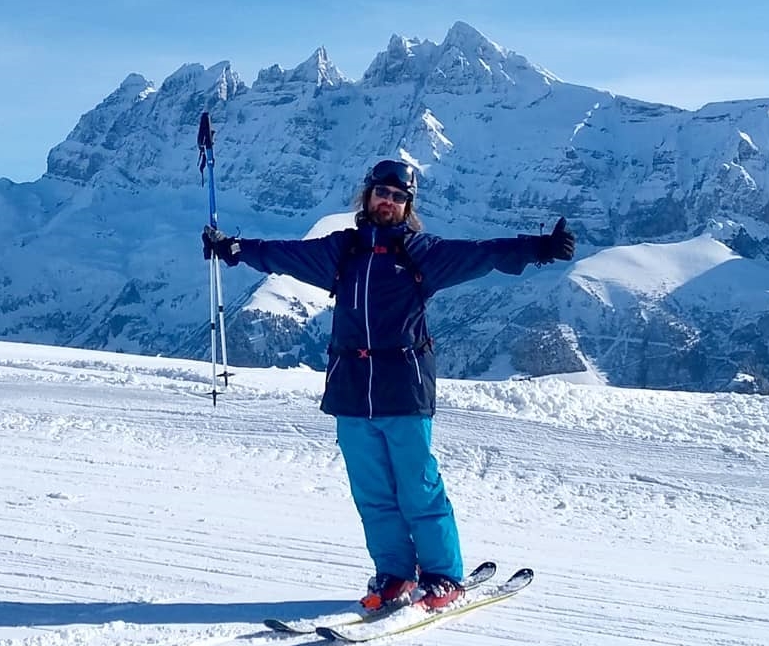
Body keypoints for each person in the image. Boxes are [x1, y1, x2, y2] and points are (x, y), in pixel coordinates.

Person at [202, 159, 575, 610]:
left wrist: (538, 247)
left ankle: (442, 576)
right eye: (383, 193)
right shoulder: (342, 251)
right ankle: (394, 574)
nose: (389, 202)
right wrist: (234, 248)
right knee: (372, 489)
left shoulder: (422, 253)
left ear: (408, 205)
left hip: (404, 387)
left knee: (418, 485)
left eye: (399, 198)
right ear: (368, 195)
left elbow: (483, 253)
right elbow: (282, 254)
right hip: (352, 389)